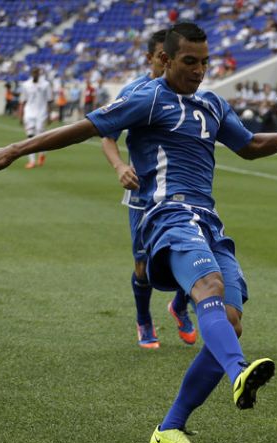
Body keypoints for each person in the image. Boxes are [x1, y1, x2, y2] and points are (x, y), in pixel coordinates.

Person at [0, 21, 277, 443]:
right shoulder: (147, 98)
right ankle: (238, 371)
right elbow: (89, 127)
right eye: (190, 62)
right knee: (208, 288)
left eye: (205, 62)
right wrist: (16, 149)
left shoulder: (211, 102)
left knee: (230, 320)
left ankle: (170, 427)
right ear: (166, 60)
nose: (199, 71)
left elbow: (248, 146)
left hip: (208, 220)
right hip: (166, 216)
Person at [99, 29, 196, 349]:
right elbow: (107, 133)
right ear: (152, 59)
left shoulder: (189, 91)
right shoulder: (136, 91)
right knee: (143, 266)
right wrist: (119, 167)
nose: (167, 64)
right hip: (142, 194)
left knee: (193, 254)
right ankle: (143, 319)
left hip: (183, 193)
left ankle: (180, 306)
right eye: (161, 58)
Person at [18, 66, 53, 169]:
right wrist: (21, 115)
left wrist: (49, 116)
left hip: (41, 113)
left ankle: (42, 154)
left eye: (37, 73)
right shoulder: (26, 85)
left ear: (39, 73)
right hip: (29, 113)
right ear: (31, 73)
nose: (35, 74)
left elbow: (49, 101)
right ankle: (32, 161)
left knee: (40, 136)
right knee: (30, 136)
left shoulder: (46, 84)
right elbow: (23, 100)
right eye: (33, 73)